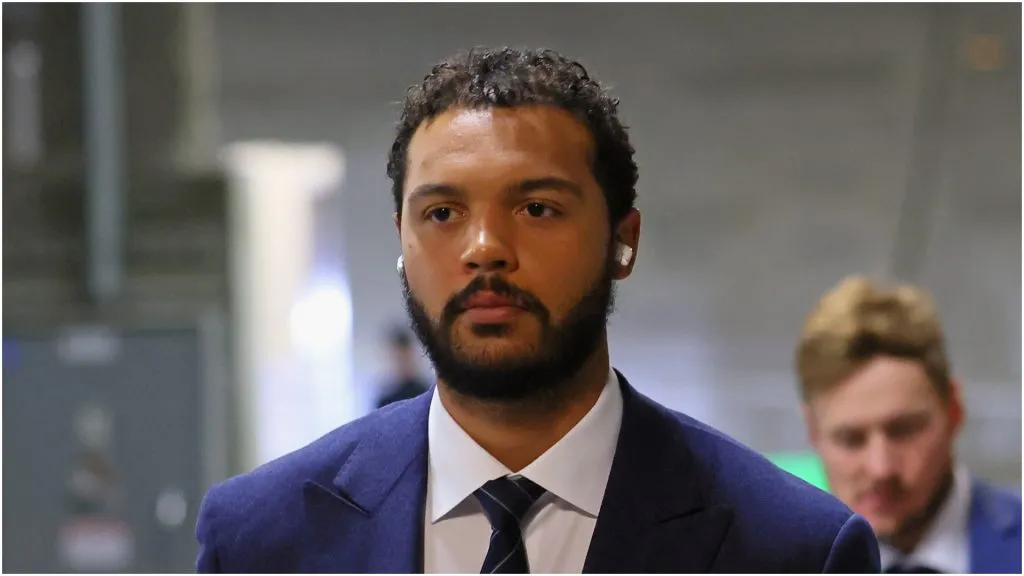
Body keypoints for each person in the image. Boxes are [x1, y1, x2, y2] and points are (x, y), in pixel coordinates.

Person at [196, 47, 880, 573]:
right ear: (401, 241)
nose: (485, 248)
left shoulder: (792, 548)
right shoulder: (263, 537)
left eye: (537, 209)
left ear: (623, 241)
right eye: (442, 212)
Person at [796, 276, 1021, 574]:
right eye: (851, 439)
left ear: (953, 409)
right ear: (813, 430)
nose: (881, 468)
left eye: (904, 430)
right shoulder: (777, 561)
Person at [376, 328, 429, 409]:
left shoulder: (425, 393)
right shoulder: (385, 398)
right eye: (397, 358)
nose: (401, 363)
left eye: (404, 358)